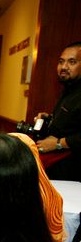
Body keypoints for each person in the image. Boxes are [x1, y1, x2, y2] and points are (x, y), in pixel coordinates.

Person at [34, 41, 81, 181]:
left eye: (72, 62)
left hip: (73, 173)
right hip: (56, 167)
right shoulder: (68, 89)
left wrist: (58, 143)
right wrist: (50, 118)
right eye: (61, 62)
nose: (64, 67)